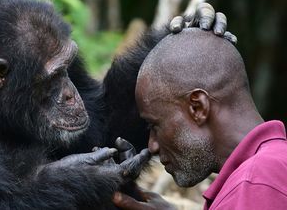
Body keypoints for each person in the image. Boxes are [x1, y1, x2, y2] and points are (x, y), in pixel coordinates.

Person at [112, 28, 287, 209]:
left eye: (154, 126)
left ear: (198, 108)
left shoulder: (256, 183)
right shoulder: (268, 171)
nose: (152, 146)